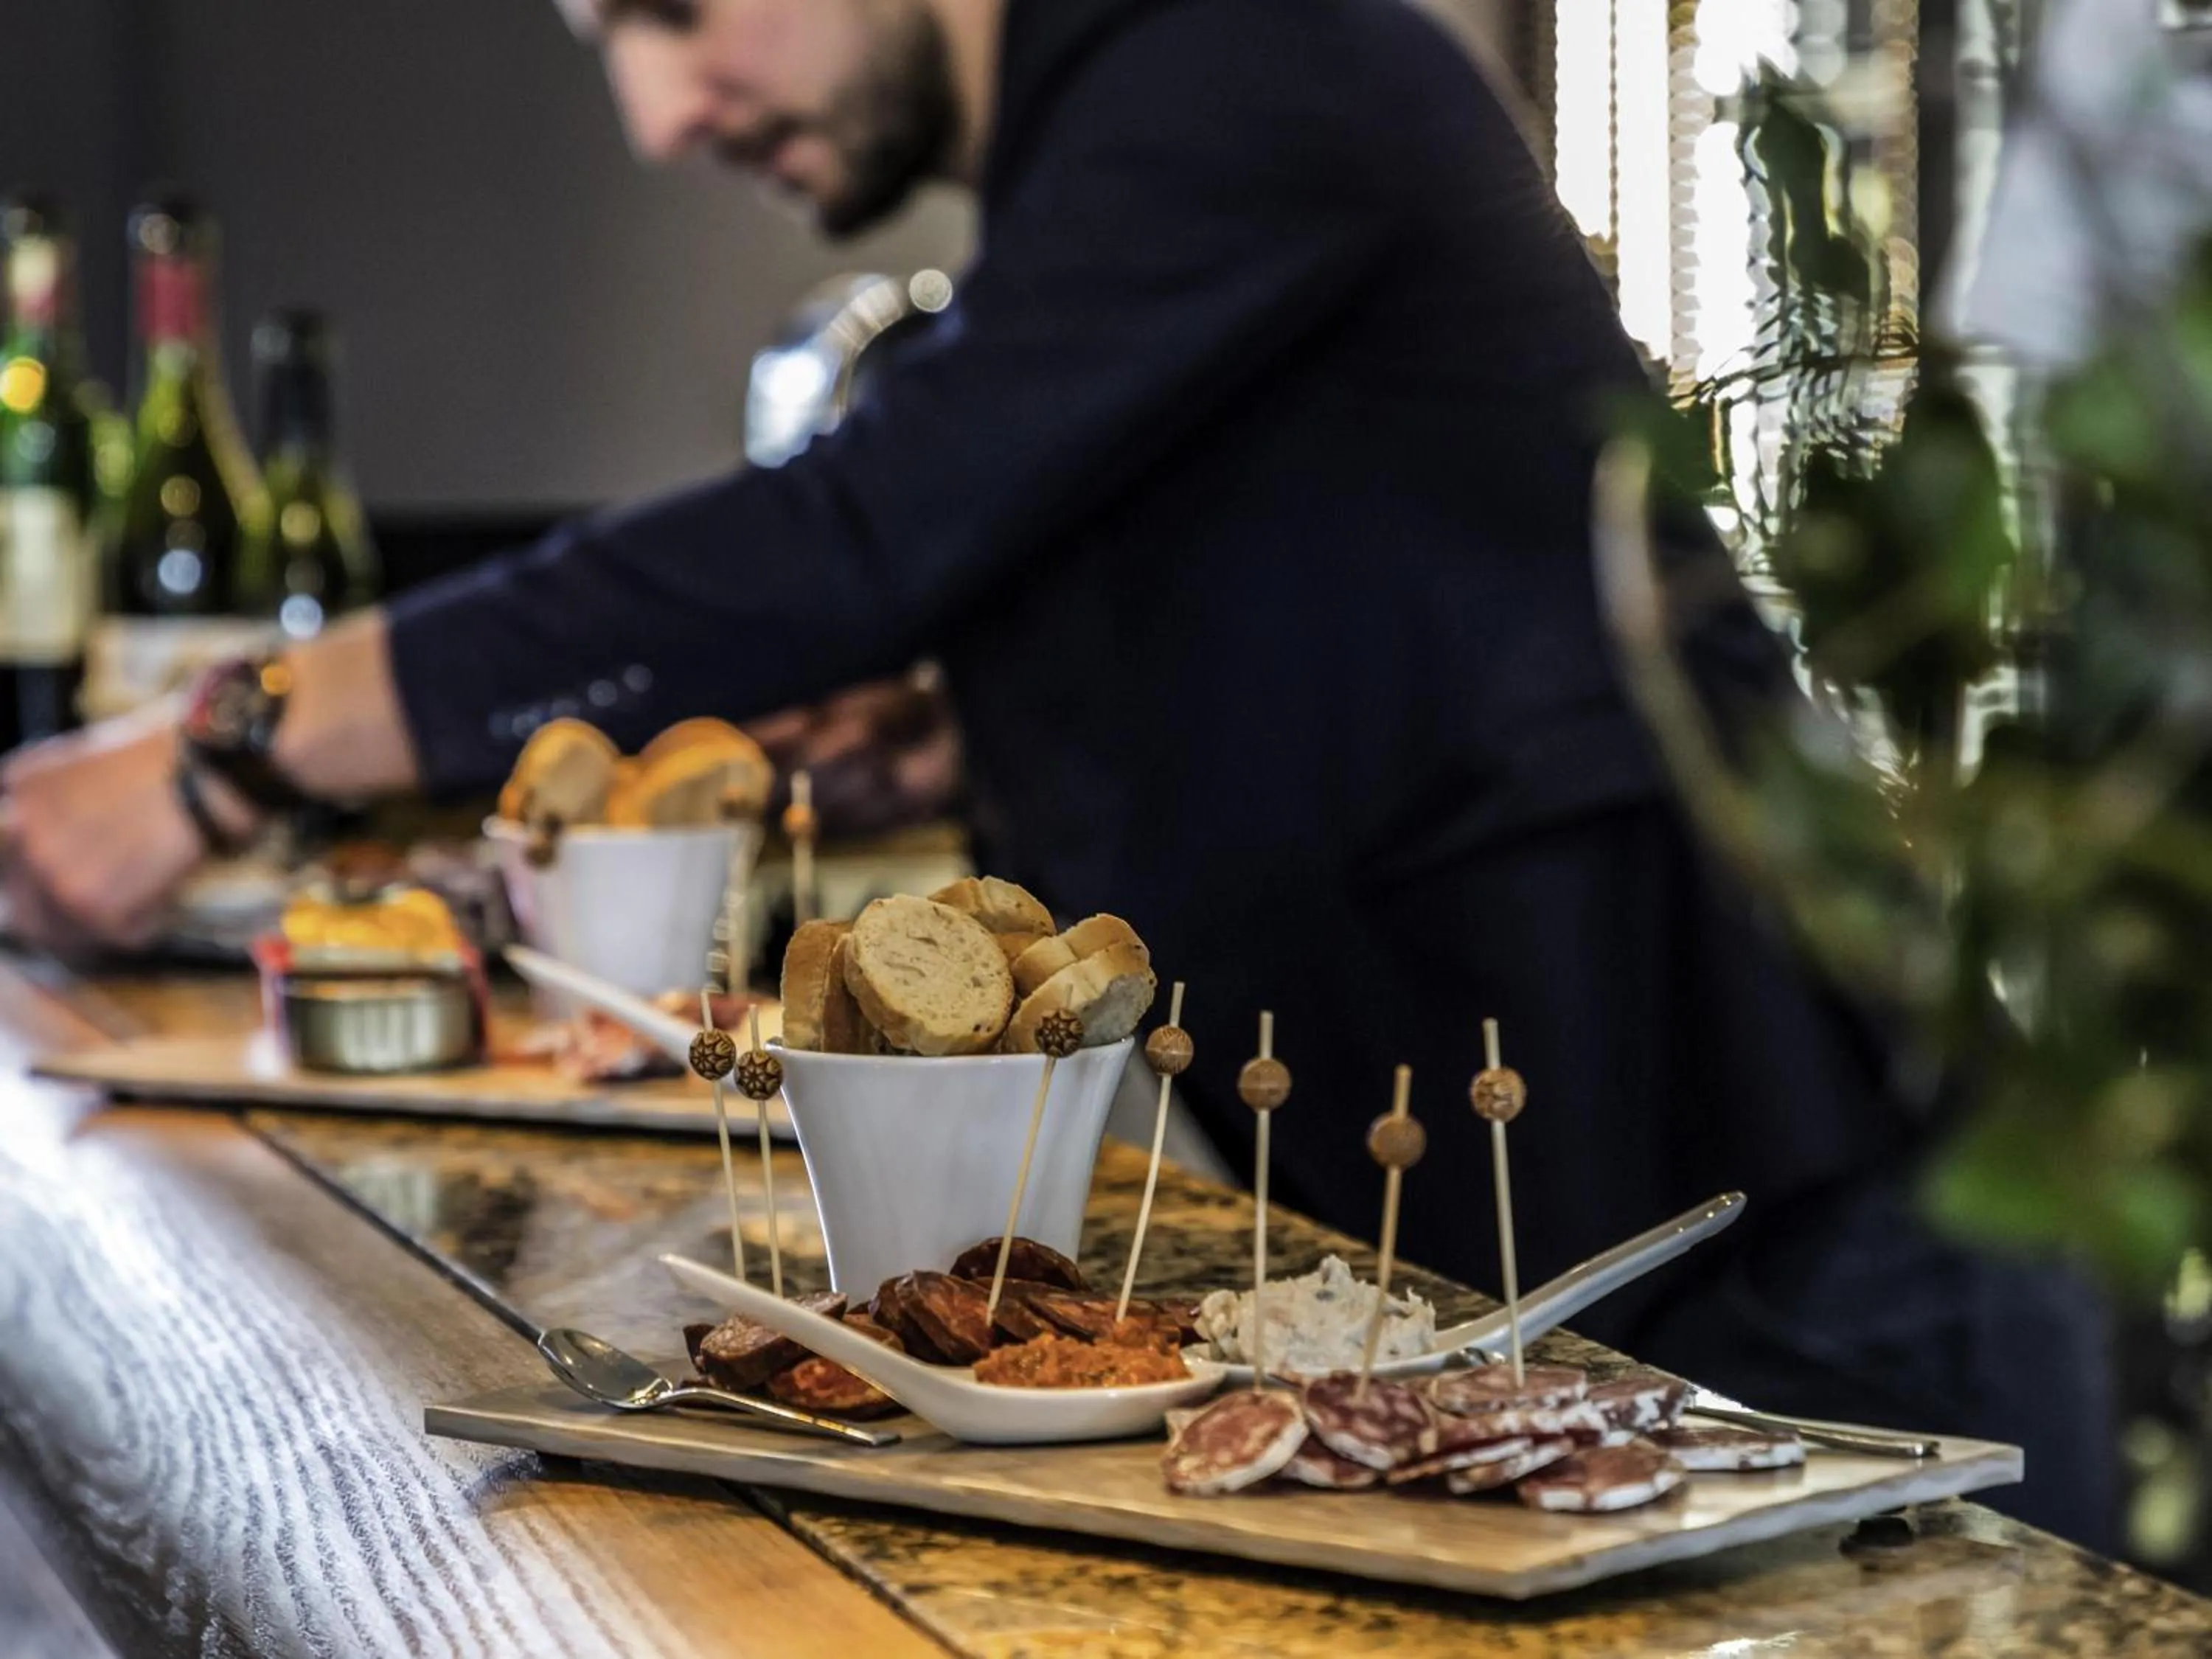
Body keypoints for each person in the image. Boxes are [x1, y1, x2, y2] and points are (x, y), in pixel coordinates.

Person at [1, 0, 2115, 1542]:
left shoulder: (1243, 46)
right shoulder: (1147, 127)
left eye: (667, 7)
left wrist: (228, 752)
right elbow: (1326, 582)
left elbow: (857, 534)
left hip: (1801, 1246)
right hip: (1588, 1273)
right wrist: (983, 713)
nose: (656, 109)